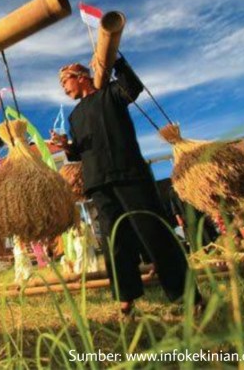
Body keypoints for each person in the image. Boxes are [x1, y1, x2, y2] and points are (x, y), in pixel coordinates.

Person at [50, 58, 200, 315]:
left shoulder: (112, 93)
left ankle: (188, 297)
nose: (63, 88)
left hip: (130, 174)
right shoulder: (75, 116)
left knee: (154, 232)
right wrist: (66, 146)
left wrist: (114, 60)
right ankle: (126, 300)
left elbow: (133, 86)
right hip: (98, 183)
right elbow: (79, 153)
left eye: (65, 81)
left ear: (81, 76)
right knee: (114, 242)